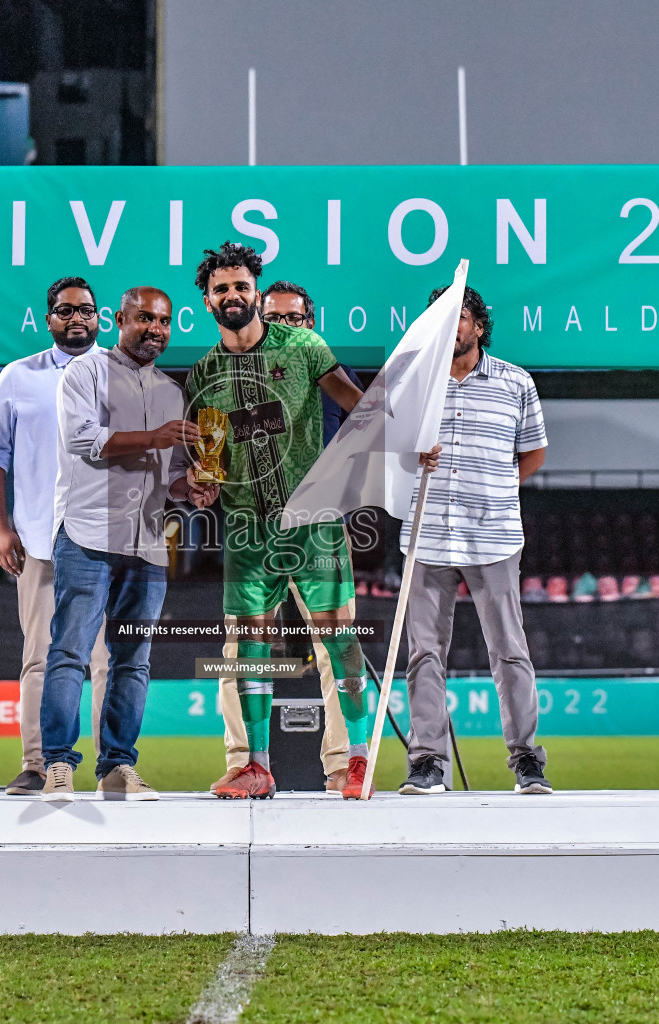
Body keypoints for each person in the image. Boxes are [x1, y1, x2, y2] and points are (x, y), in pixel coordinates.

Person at [184, 242, 373, 800]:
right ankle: (256, 767)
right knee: (249, 645)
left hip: (311, 517)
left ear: (256, 293)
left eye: (242, 286)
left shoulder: (304, 346)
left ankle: (355, 761)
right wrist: (202, 483)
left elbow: (359, 408)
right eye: (222, 289)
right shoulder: (202, 375)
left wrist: (405, 441)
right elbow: (213, 463)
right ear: (208, 300)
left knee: (339, 636)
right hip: (246, 526)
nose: (233, 295)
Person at [41, 286, 219, 802]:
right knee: (71, 652)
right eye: (144, 319)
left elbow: (172, 475)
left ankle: (117, 767)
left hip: (146, 543)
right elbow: (81, 440)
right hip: (87, 535)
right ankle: (57, 764)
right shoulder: (86, 372)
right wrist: (154, 437)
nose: (155, 330)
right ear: (119, 319)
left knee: (134, 660)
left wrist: (193, 490)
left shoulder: (171, 390)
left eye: (163, 322)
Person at [399, 283, 552, 796]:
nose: (451, 327)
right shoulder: (413, 382)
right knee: (423, 653)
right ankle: (426, 763)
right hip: (427, 537)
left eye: (459, 317)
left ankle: (527, 760)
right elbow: (392, 455)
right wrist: (410, 458)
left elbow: (533, 454)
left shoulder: (515, 382)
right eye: (441, 318)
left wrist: (497, 487)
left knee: (510, 649)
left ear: (478, 326)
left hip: (495, 537)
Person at [0, 277, 110, 796]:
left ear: (101, 318)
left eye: (87, 311)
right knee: (42, 655)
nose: (77, 318)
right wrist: (0, 527)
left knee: (106, 660)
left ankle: (111, 768)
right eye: (65, 311)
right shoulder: (18, 377)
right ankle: (37, 765)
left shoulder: (123, 375)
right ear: (47, 318)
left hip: (105, 544)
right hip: (39, 541)